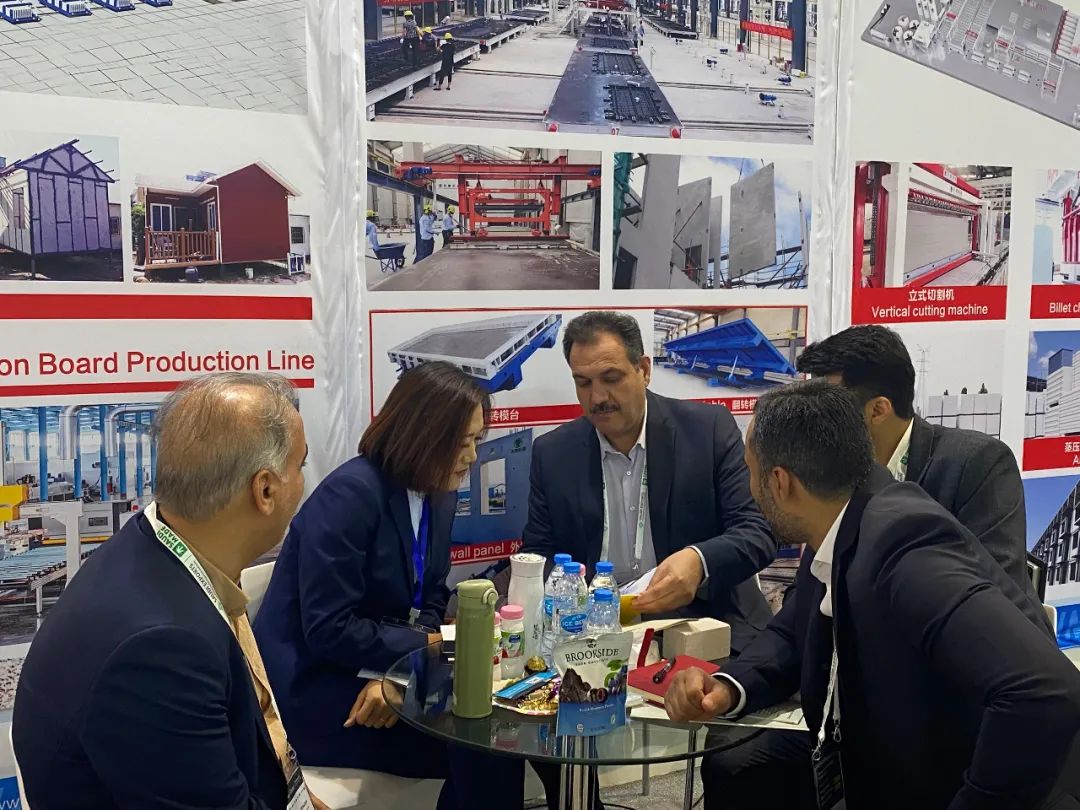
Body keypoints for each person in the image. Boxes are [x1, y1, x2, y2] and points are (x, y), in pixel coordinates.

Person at [667, 380, 1080, 810]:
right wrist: (726, 687)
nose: (751, 491)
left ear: (780, 482)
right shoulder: (843, 520)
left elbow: (1045, 693)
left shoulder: (905, 549)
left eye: (750, 472)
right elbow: (793, 631)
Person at [12, 373, 328, 810]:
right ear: (266, 489)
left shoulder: (154, 545)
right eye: (300, 466)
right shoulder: (162, 649)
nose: (303, 480)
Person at [253, 362, 541, 809]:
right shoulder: (350, 496)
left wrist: (404, 673)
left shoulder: (439, 494)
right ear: (422, 436)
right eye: (461, 443)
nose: (472, 457)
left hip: (383, 671)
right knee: (481, 741)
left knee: (497, 726)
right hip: (318, 689)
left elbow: (432, 595)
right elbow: (329, 628)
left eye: (477, 440)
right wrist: (412, 658)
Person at [520, 311, 777, 654]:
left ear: (643, 370)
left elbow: (757, 531)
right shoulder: (553, 453)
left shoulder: (707, 431)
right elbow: (538, 553)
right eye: (583, 383)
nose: (597, 398)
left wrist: (699, 561)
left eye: (611, 378)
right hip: (596, 633)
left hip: (705, 623)